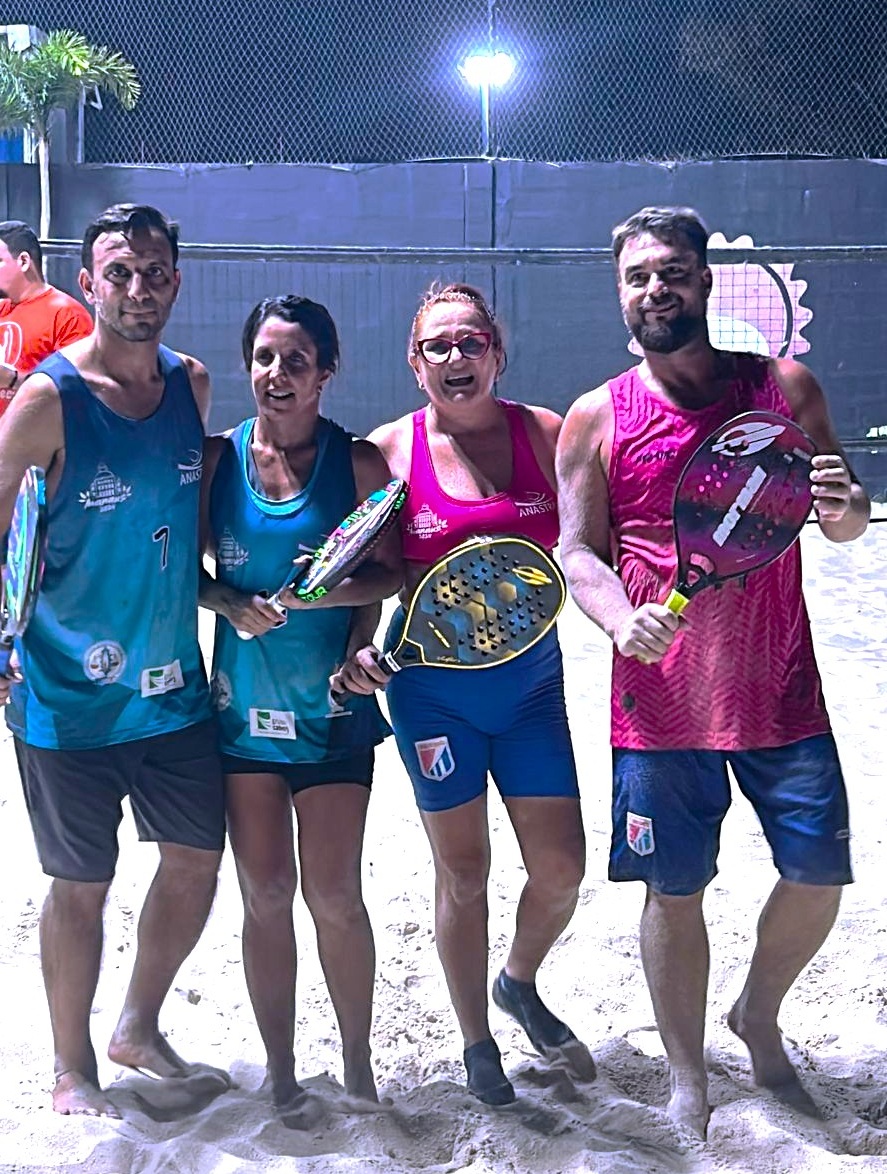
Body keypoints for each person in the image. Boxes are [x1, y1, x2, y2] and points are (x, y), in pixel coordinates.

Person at [555, 206, 870, 1139]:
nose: (655, 289)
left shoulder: (783, 387)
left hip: (779, 687)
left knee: (817, 872)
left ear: (703, 280)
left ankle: (755, 1016)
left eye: (671, 272)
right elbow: (577, 553)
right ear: (620, 293)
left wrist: (846, 504)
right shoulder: (596, 416)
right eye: (637, 277)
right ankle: (686, 1075)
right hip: (659, 703)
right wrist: (620, 620)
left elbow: (842, 519)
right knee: (674, 889)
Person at [334, 282, 592, 1106]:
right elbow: (367, 573)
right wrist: (355, 648)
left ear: (496, 353)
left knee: (561, 869)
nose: (454, 356)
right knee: (465, 872)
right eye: (436, 346)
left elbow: (596, 543)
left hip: (531, 690)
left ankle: (515, 982)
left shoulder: (545, 433)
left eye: (469, 342)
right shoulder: (387, 452)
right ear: (414, 364)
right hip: (432, 698)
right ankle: (477, 1042)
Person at [0, 204, 228, 1118]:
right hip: (64, 695)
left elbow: (181, 530)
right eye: (119, 274)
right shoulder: (46, 401)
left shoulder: (193, 387)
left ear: (176, 281)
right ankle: (72, 1068)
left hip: (171, 689)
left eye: (154, 272)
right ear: (88, 284)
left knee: (195, 860)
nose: (138, 289)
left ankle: (137, 1027)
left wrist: (224, 594)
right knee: (80, 884)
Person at [198, 295, 401, 1118]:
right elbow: (182, 572)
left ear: (326, 372)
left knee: (335, 897)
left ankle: (356, 1063)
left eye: (295, 360)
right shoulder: (217, 461)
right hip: (240, 715)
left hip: (332, 714)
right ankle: (280, 1070)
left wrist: (341, 623)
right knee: (266, 895)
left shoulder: (358, 465)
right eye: (265, 357)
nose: (276, 374)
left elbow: (386, 573)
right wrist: (225, 601)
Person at [0, 219, 93, 414]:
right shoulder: (3, 309)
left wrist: (12, 379)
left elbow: (76, 391)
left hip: (35, 431)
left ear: (24, 261)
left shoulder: (68, 315)